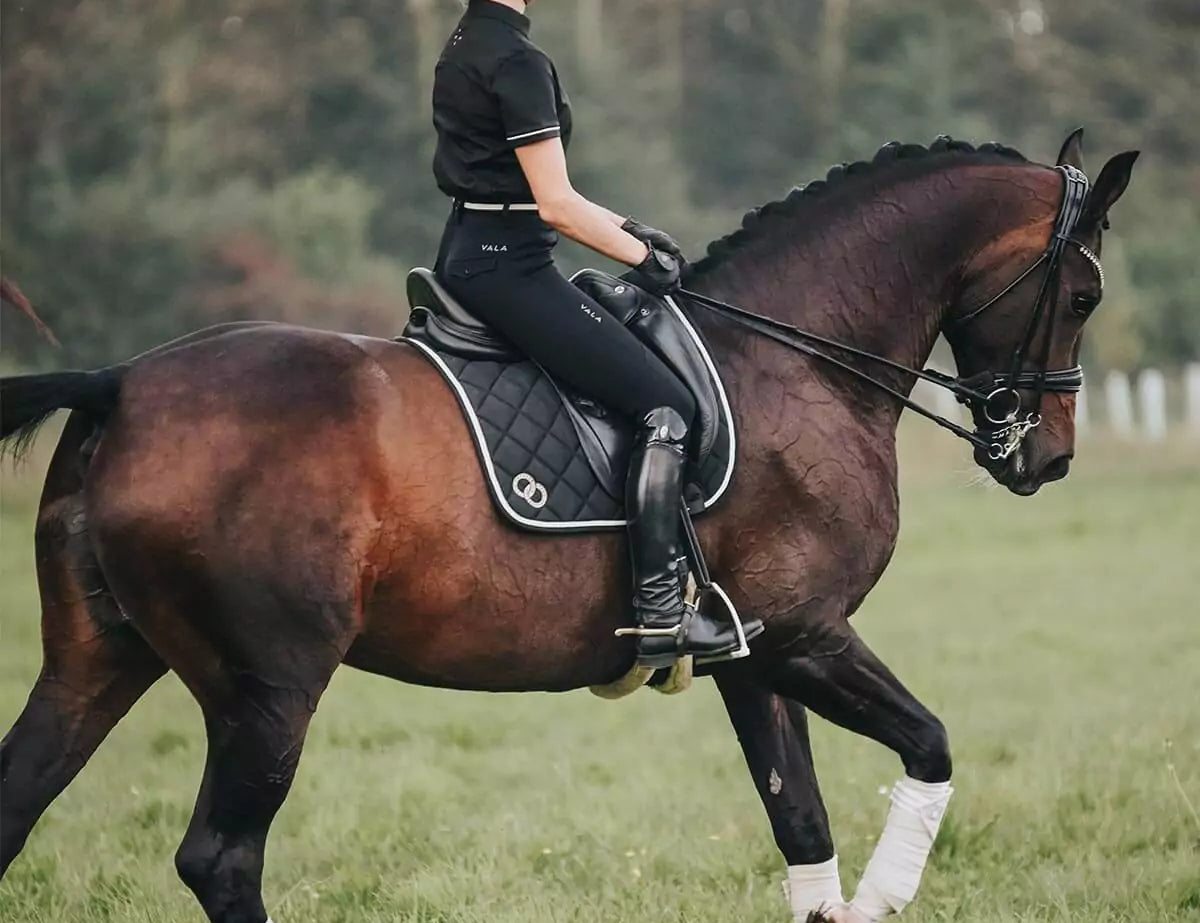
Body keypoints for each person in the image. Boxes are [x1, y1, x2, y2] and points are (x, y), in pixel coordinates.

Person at [430, 0, 744, 667]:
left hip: (466, 253)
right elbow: (555, 204)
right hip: (511, 270)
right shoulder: (518, 63)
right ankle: (662, 611)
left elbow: (520, 186)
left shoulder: (463, 45)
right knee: (669, 407)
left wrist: (630, 227)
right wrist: (644, 259)